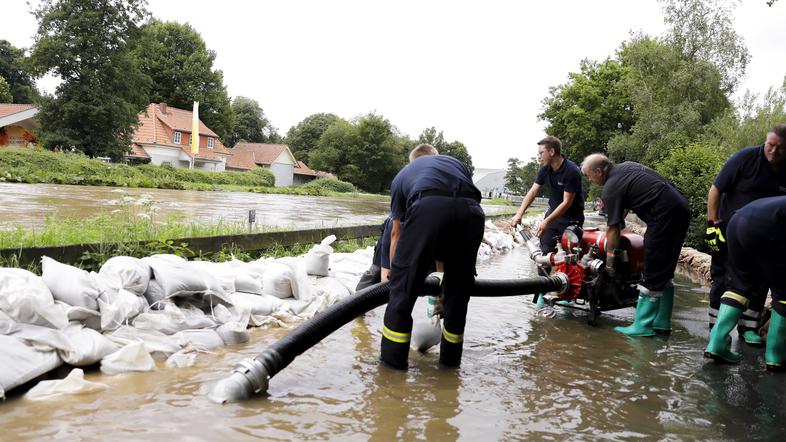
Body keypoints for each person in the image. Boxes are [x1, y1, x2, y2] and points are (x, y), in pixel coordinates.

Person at [380, 144, 485, 369]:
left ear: (413, 162)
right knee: (458, 293)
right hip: (472, 214)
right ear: (434, 157)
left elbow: (396, 232)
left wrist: (396, 273)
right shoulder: (455, 164)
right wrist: (443, 278)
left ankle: (392, 368)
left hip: (429, 208)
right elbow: (454, 211)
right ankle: (450, 364)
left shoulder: (402, 176)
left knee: (402, 292)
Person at [581, 154, 690, 337]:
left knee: (652, 266)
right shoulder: (627, 168)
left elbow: (614, 229)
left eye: (588, 175)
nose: (589, 180)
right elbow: (622, 211)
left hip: (663, 216)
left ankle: (642, 326)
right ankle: (662, 322)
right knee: (664, 270)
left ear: (599, 171)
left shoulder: (610, 187)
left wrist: (609, 262)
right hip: (680, 209)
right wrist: (612, 223)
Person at [705, 125, 786, 346]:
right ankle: (716, 327)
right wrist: (712, 225)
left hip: (766, 237)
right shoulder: (746, 158)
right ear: (765, 141)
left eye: (780, 147)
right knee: (722, 277)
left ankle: (748, 328)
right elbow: (715, 190)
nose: (774, 151)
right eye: (770, 145)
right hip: (729, 228)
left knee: (761, 280)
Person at [705, 196, 786, 367]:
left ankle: (717, 344)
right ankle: (776, 355)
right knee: (783, 291)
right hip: (769, 227)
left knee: (739, 286)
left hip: (738, 221)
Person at [511, 136, 584, 307]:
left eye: (541, 152)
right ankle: (541, 297)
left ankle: (569, 297)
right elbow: (532, 192)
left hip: (571, 218)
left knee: (569, 257)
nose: (539, 156)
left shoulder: (571, 170)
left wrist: (546, 221)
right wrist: (519, 213)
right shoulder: (544, 169)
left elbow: (567, 202)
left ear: (552, 152)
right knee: (543, 256)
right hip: (553, 216)